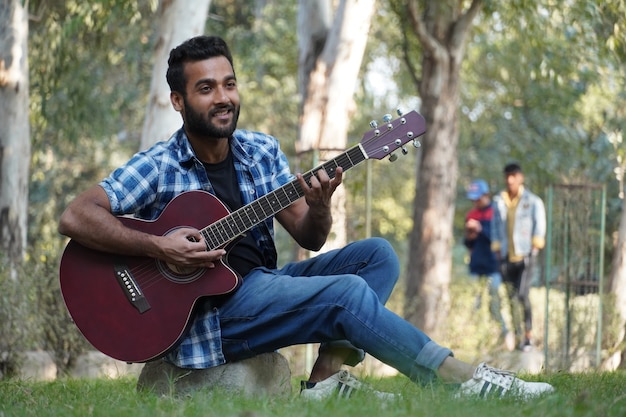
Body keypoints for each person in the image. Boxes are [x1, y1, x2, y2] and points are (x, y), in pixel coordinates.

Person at [58, 35, 553, 400]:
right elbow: (76, 217)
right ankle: (457, 379)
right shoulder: (159, 164)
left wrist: (319, 205)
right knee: (345, 294)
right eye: (206, 88)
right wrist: (157, 247)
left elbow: (311, 238)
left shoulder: (260, 151)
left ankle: (322, 384)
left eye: (229, 84)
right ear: (179, 101)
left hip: (263, 285)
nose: (223, 97)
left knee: (375, 257)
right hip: (210, 319)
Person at [491, 163, 546, 352]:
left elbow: (539, 224)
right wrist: (497, 248)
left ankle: (528, 335)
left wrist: (535, 245)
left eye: (514, 175)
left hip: (525, 255)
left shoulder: (532, 201)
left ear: (520, 177)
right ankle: (515, 335)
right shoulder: (499, 201)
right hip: (507, 255)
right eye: (507, 176)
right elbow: (495, 225)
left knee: (523, 294)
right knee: (511, 296)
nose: (510, 180)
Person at [464, 179, 515, 351]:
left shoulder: (495, 213)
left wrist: (481, 230)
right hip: (476, 266)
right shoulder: (471, 215)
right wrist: (470, 237)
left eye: (478, 198)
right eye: (473, 199)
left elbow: (498, 239)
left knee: (495, 304)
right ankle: (478, 340)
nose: (475, 202)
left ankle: (503, 337)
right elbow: (469, 244)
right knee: (475, 305)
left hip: (493, 265)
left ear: (486, 195)